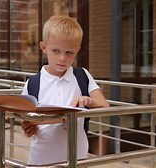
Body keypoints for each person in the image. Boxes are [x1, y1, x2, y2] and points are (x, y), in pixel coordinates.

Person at [21, 15, 109, 166]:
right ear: (44, 48)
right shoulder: (32, 84)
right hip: (40, 161)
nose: (62, 58)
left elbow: (105, 106)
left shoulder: (82, 76)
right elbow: (27, 120)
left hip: (76, 160)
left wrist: (89, 100)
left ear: (77, 50)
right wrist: (28, 127)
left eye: (69, 53)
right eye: (56, 51)